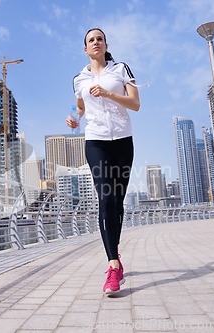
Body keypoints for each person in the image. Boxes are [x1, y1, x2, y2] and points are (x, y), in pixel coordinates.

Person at [67, 28, 140, 294]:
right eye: (90, 40)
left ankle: (115, 256)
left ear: (106, 44)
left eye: (99, 38)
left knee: (117, 202)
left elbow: (135, 104)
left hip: (122, 141)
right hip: (95, 141)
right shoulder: (79, 78)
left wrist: (109, 94)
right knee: (106, 199)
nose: (96, 42)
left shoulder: (120, 69)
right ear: (85, 48)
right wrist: (75, 120)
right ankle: (112, 266)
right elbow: (80, 108)